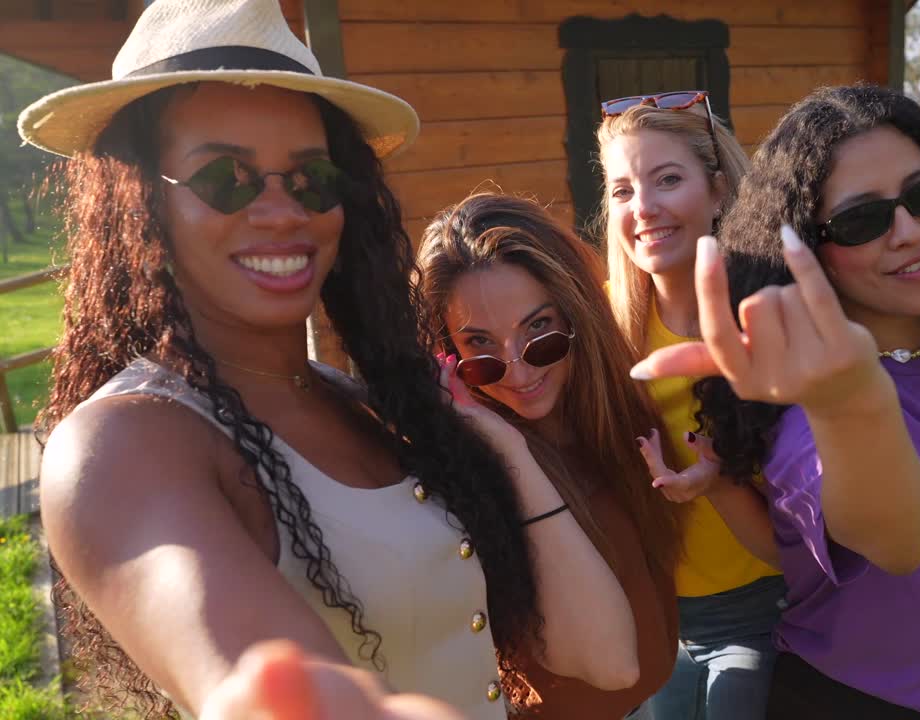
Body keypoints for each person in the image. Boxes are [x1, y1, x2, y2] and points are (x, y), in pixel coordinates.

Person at [23, 1, 635, 717]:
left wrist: (506, 449)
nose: (284, 212)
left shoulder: (365, 406)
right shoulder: (124, 446)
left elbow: (605, 659)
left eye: (312, 179)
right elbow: (257, 690)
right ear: (139, 204)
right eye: (228, 178)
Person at [639, 83, 920, 719]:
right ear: (808, 250)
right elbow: (897, 544)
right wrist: (852, 403)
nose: (909, 231)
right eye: (863, 219)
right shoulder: (816, 408)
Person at [417, 192, 685, 719]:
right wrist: (511, 451)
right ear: (447, 353)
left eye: (538, 331)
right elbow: (612, 668)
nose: (518, 374)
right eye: (480, 348)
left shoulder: (613, 416)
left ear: (575, 313)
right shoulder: (466, 476)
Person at [595, 90, 788, 720]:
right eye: (622, 190)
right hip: (653, 621)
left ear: (719, 190)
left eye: (667, 179)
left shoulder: (764, 325)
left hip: (759, 614)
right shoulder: (603, 328)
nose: (644, 207)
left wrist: (720, 481)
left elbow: (796, 537)